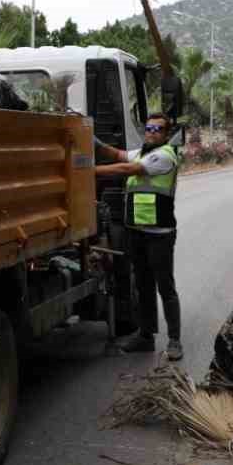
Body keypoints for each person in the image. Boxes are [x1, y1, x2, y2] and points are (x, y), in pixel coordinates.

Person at [96, 112, 183, 361]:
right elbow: (117, 155)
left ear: (166, 134)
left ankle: (175, 341)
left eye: (158, 129)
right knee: (143, 286)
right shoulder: (142, 151)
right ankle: (146, 336)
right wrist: (94, 142)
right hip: (137, 232)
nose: (152, 132)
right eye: (149, 128)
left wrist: (90, 170)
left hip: (160, 235)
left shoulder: (165, 155)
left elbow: (128, 167)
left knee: (165, 287)